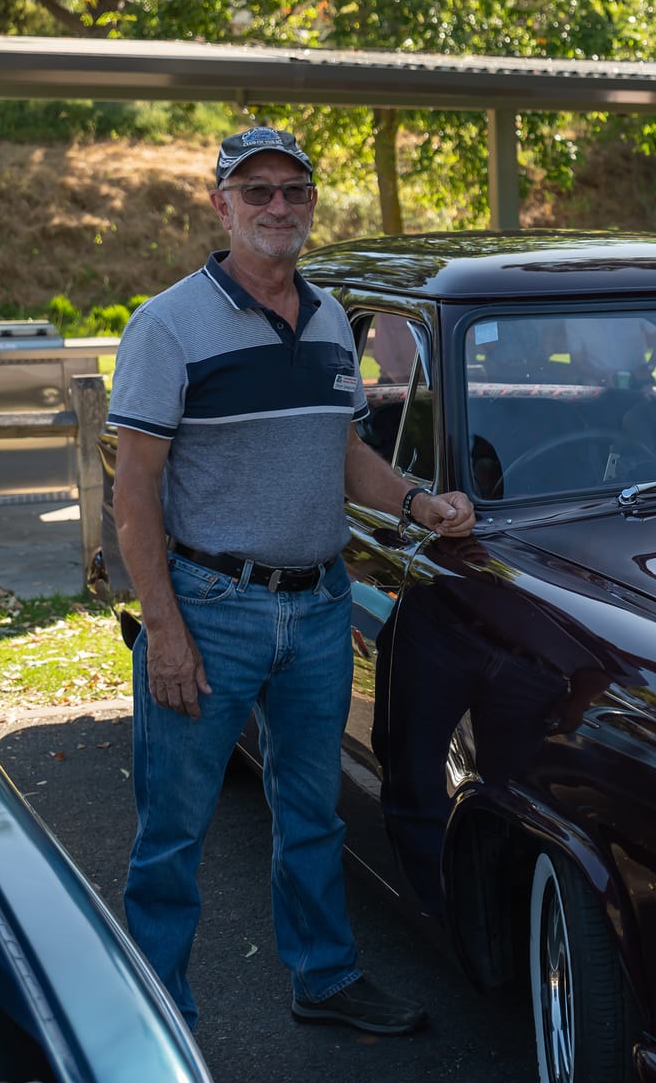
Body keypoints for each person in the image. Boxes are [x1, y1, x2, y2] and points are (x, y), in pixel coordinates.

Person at [108, 126, 476, 1036]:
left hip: (316, 609)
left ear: (312, 202)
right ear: (220, 203)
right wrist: (164, 629)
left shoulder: (326, 321)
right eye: (257, 189)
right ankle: (159, 1023)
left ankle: (325, 977)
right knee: (172, 835)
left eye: (294, 190)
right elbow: (135, 491)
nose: (278, 206)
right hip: (210, 609)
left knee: (312, 816)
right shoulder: (167, 325)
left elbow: (344, 452)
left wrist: (418, 500)